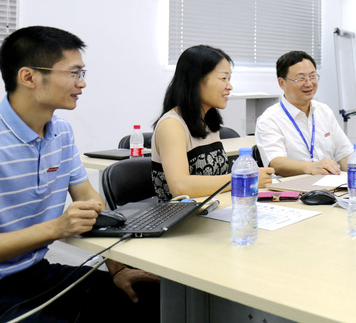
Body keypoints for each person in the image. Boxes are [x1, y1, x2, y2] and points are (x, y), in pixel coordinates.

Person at [0, 26, 159, 322]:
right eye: (74, 73)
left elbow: (89, 200)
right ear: (29, 77)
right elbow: (59, 227)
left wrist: (118, 268)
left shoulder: (61, 132)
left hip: (37, 273)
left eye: (82, 73)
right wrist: (56, 228)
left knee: (149, 298)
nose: (82, 83)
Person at [152, 45, 273, 200]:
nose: (229, 86)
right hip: (180, 214)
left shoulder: (208, 122)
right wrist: (242, 179)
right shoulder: (171, 125)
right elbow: (180, 187)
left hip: (213, 207)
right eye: (223, 79)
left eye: (229, 79)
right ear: (196, 80)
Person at [255, 51, 352, 177]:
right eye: (301, 78)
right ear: (282, 83)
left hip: (330, 184)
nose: (309, 84)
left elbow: (345, 153)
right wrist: (311, 167)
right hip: (292, 186)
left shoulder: (324, 111)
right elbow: (276, 162)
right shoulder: (269, 119)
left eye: (312, 76)